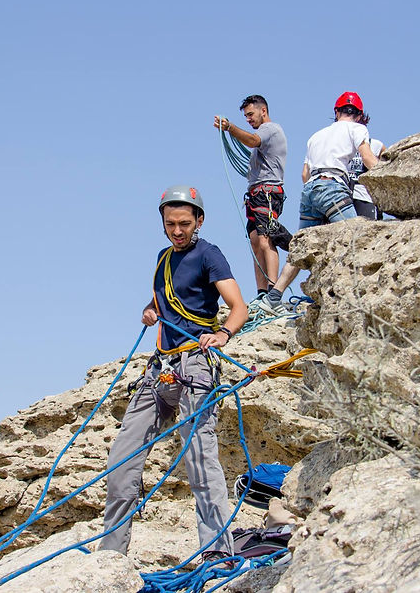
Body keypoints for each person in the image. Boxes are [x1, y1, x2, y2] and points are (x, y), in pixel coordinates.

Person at [100, 185, 248, 561]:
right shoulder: (163, 257)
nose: (178, 231)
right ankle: (111, 555)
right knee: (122, 458)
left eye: (185, 223)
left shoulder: (208, 254)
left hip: (195, 365)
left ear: (199, 221)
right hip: (160, 367)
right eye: (171, 224)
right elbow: (162, 301)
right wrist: (150, 311)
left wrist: (223, 334)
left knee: (200, 459)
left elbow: (238, 306)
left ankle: (216, 554)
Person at [259, 93, 379, 315]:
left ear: (336, 112)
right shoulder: (357, 129)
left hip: (310, 190)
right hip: (332, 187)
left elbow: (304, 174)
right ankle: (359, 295)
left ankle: (273, 298)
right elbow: (368, 159)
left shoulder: (316, 136)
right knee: (357, 238)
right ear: (360, 115)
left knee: (300, 248)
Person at [214, 95, 288, 310]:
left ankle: (274, 292)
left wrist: (230, 128)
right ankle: (262, 292)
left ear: (263, 110)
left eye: (250, 115)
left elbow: (252, 140)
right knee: (256, 242)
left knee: (266, 240)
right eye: (245, 116)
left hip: (268, 192)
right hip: (256, 194)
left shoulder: (270, 129)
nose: (248, 119)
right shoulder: (263, 135)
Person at [348, 137, 385, 220]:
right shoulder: (338, 144)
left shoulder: (375, 145)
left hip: (364, 195)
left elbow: (387, 167)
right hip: (341, 195)